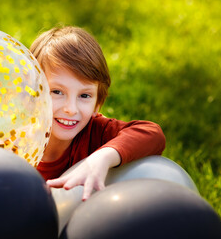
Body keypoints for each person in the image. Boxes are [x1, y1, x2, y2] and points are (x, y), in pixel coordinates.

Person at [30, 26, 166, 200]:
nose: (71, 109)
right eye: (57, 91)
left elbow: (152, 134)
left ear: (97, 104)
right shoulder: (15, 141)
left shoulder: (96, 132)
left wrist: (101, 158)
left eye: (84, 95)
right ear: (33, 92)